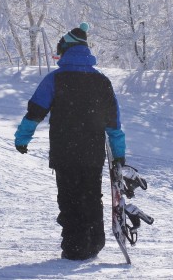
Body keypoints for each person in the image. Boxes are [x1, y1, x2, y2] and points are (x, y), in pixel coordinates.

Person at [15, 22, 126, 260]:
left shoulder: (55, 79)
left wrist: (22, 138)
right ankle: (94, 242)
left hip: (65, 153)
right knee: (91, 195)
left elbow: (35, 112)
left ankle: (75, 247)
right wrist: (118, 153)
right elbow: (114, 123)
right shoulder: (102, 82)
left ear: (65, 50)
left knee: (69, 197)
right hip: (93, 154)